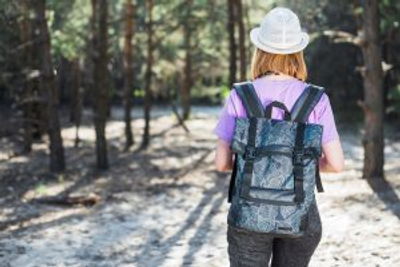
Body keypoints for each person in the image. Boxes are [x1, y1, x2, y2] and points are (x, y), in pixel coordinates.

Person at [213, 7, 344, 267]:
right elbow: (337, 164)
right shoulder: (316, 99)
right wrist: (300, 165)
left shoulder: (240, 95)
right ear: (298, 52)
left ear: (260, 50)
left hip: (248, 216)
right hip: (300, 216)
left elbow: (221, 162)